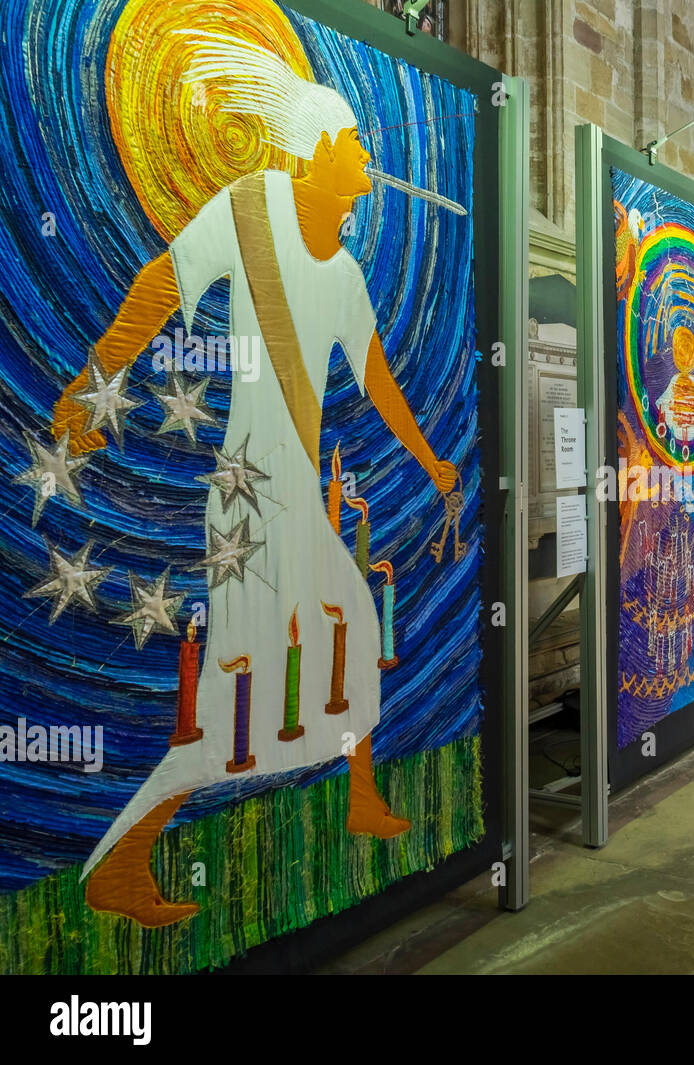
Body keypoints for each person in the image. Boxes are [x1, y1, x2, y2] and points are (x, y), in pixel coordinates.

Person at [52, 34, 462, 927]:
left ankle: (355, 790)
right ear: (316, 155)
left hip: (293, 496)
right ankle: (119, 861)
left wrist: (433, 465)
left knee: (351, 619)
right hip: (248, 497)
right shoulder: (249, 210)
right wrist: (96, 379)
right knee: (231, 699)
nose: (366, 159)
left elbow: (379, 376)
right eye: (354, 145)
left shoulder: (347, 272)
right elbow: (161, 284)